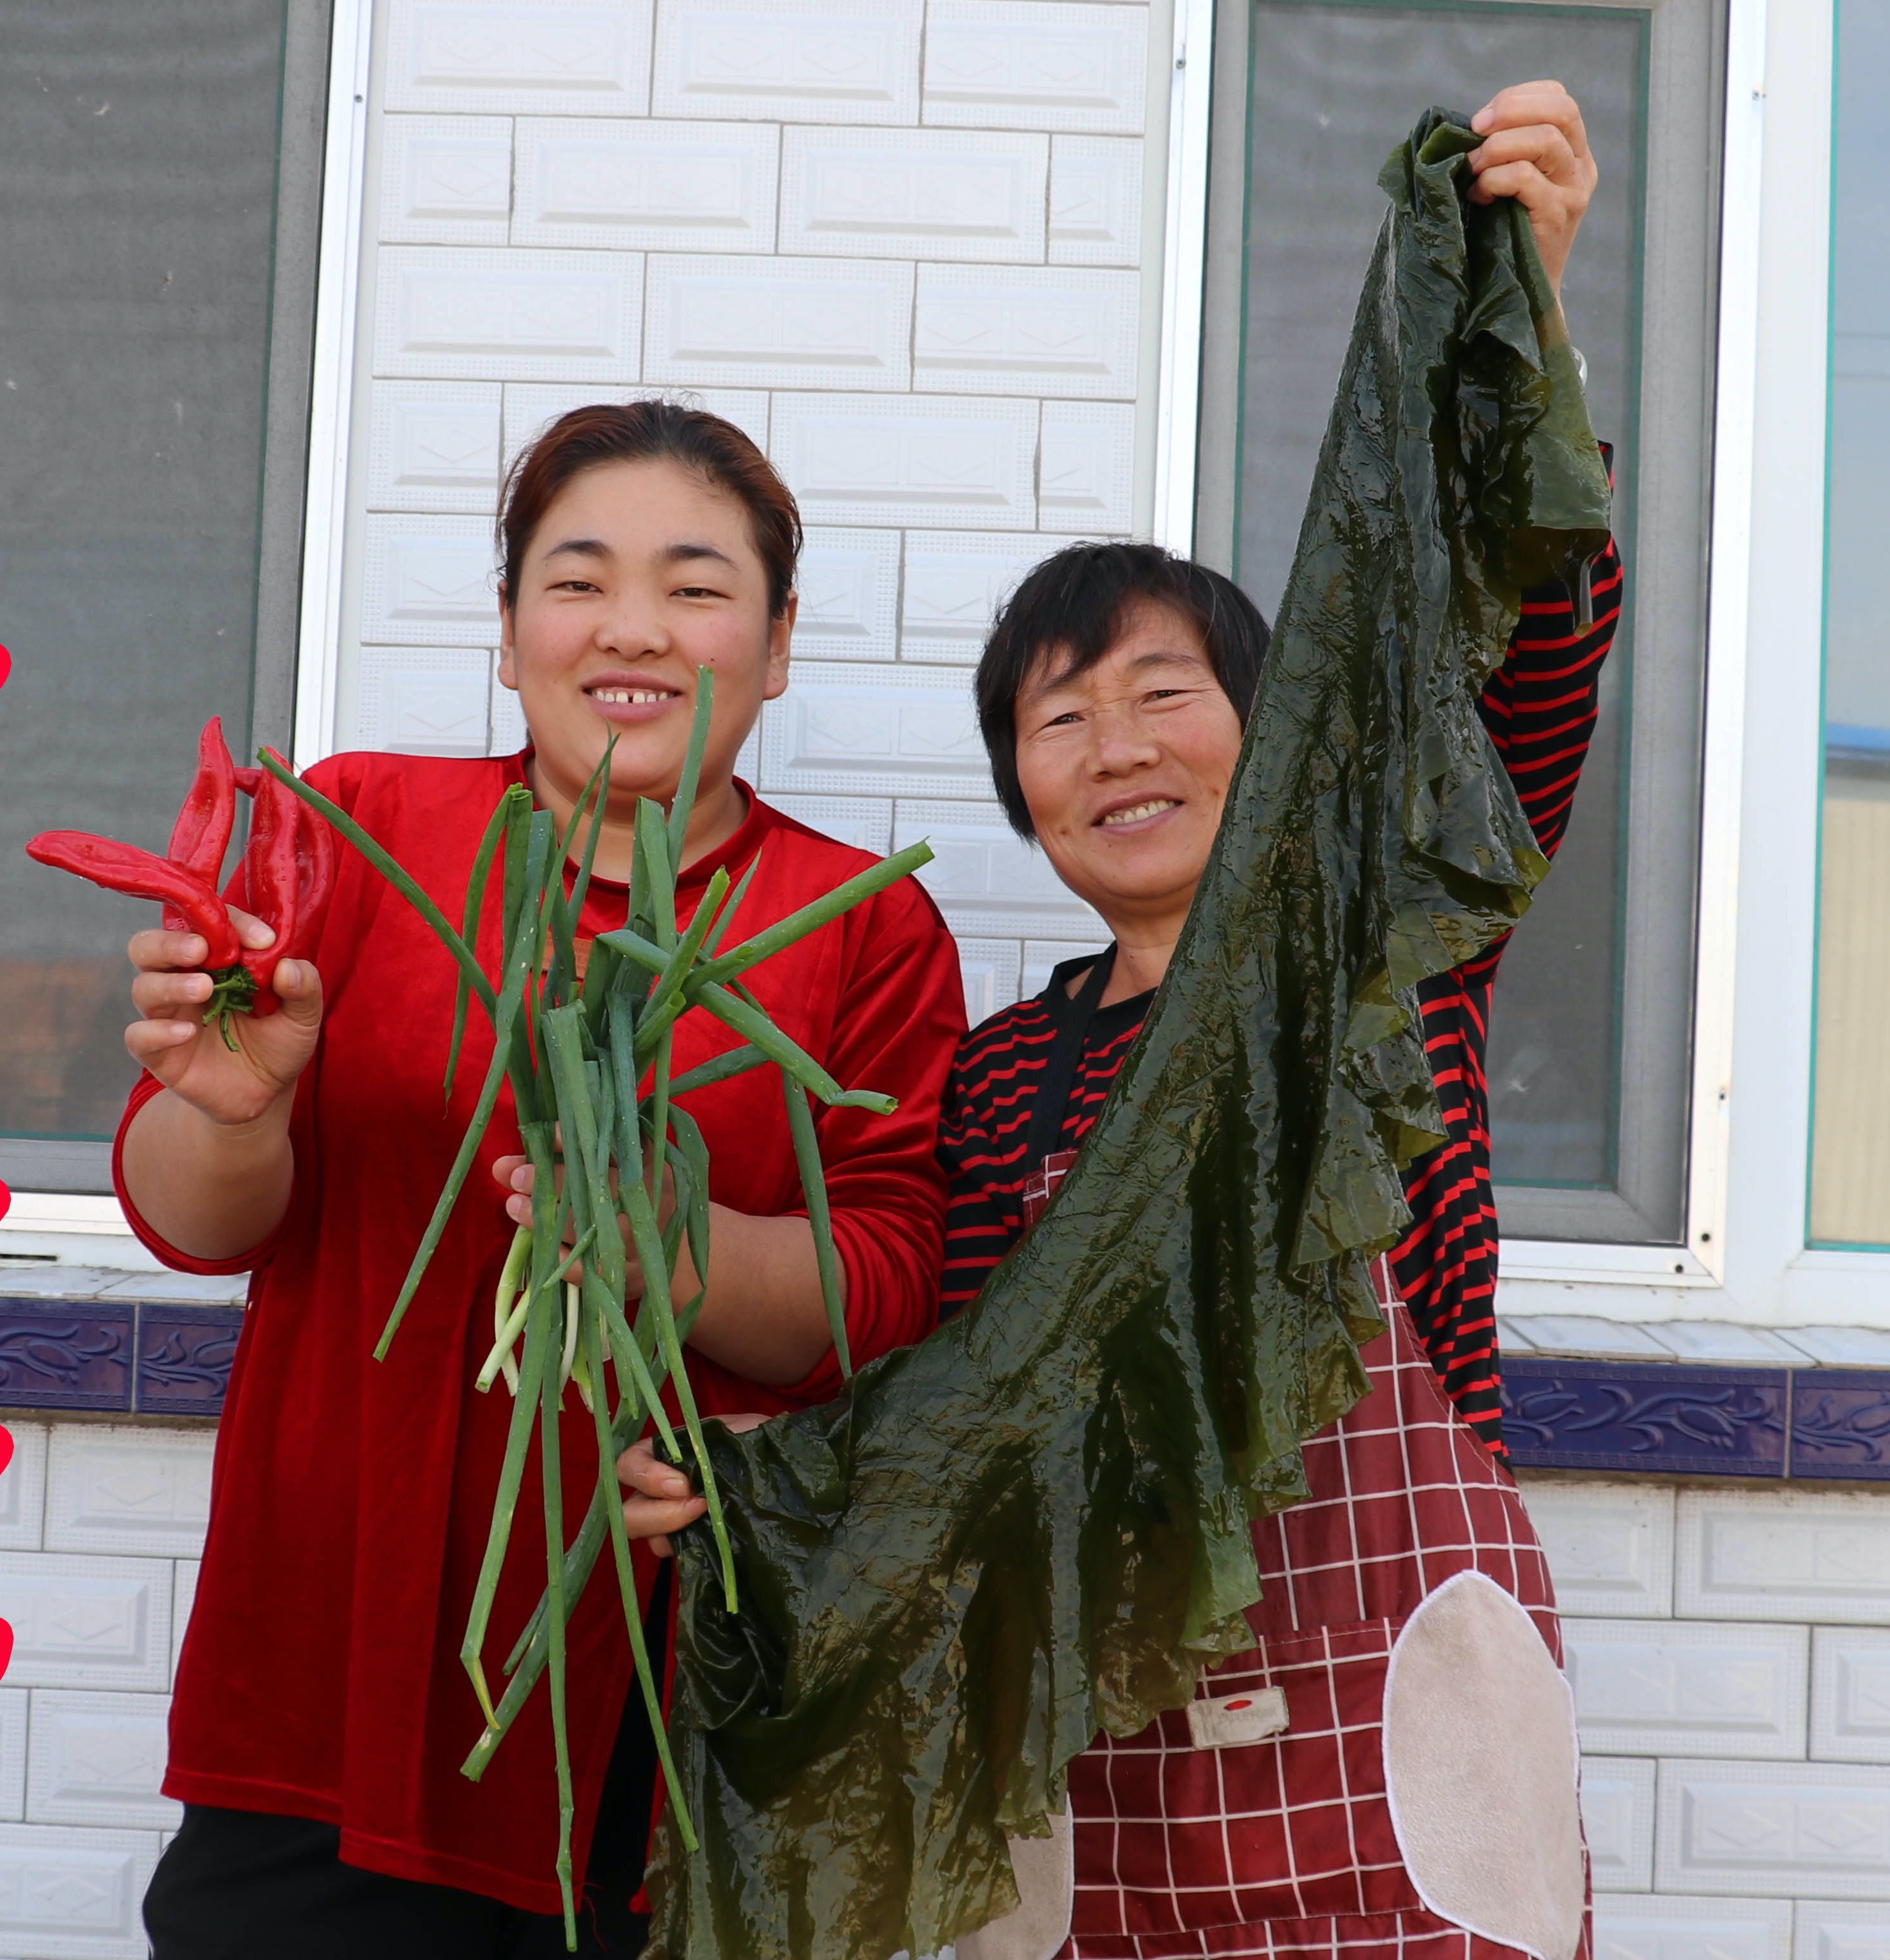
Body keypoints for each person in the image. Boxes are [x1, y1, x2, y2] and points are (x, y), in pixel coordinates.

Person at [614, 82, 1613, 1960]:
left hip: (1397, 1670)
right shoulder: (999, 1076)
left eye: (1165, 692)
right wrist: (742, 1502)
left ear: (1272, 736)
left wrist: (1520, 323)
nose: (1115, 747)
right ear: (1022, 794)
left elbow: (1525, 679)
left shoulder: (1379, 969)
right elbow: (954, 1408)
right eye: (1056, 720)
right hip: (1109, 1707)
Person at [121, 402, 967, 1958]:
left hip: (660, 1689)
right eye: (576, 580)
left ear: (775, 650)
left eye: (697, 586)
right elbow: (191, 1217)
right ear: (508, 636)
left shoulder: (853, 921)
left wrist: (679, 1247)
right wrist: (238, 1112)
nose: (631, 626)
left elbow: (892, 1291)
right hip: (330, 1661)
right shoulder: (358, 828)